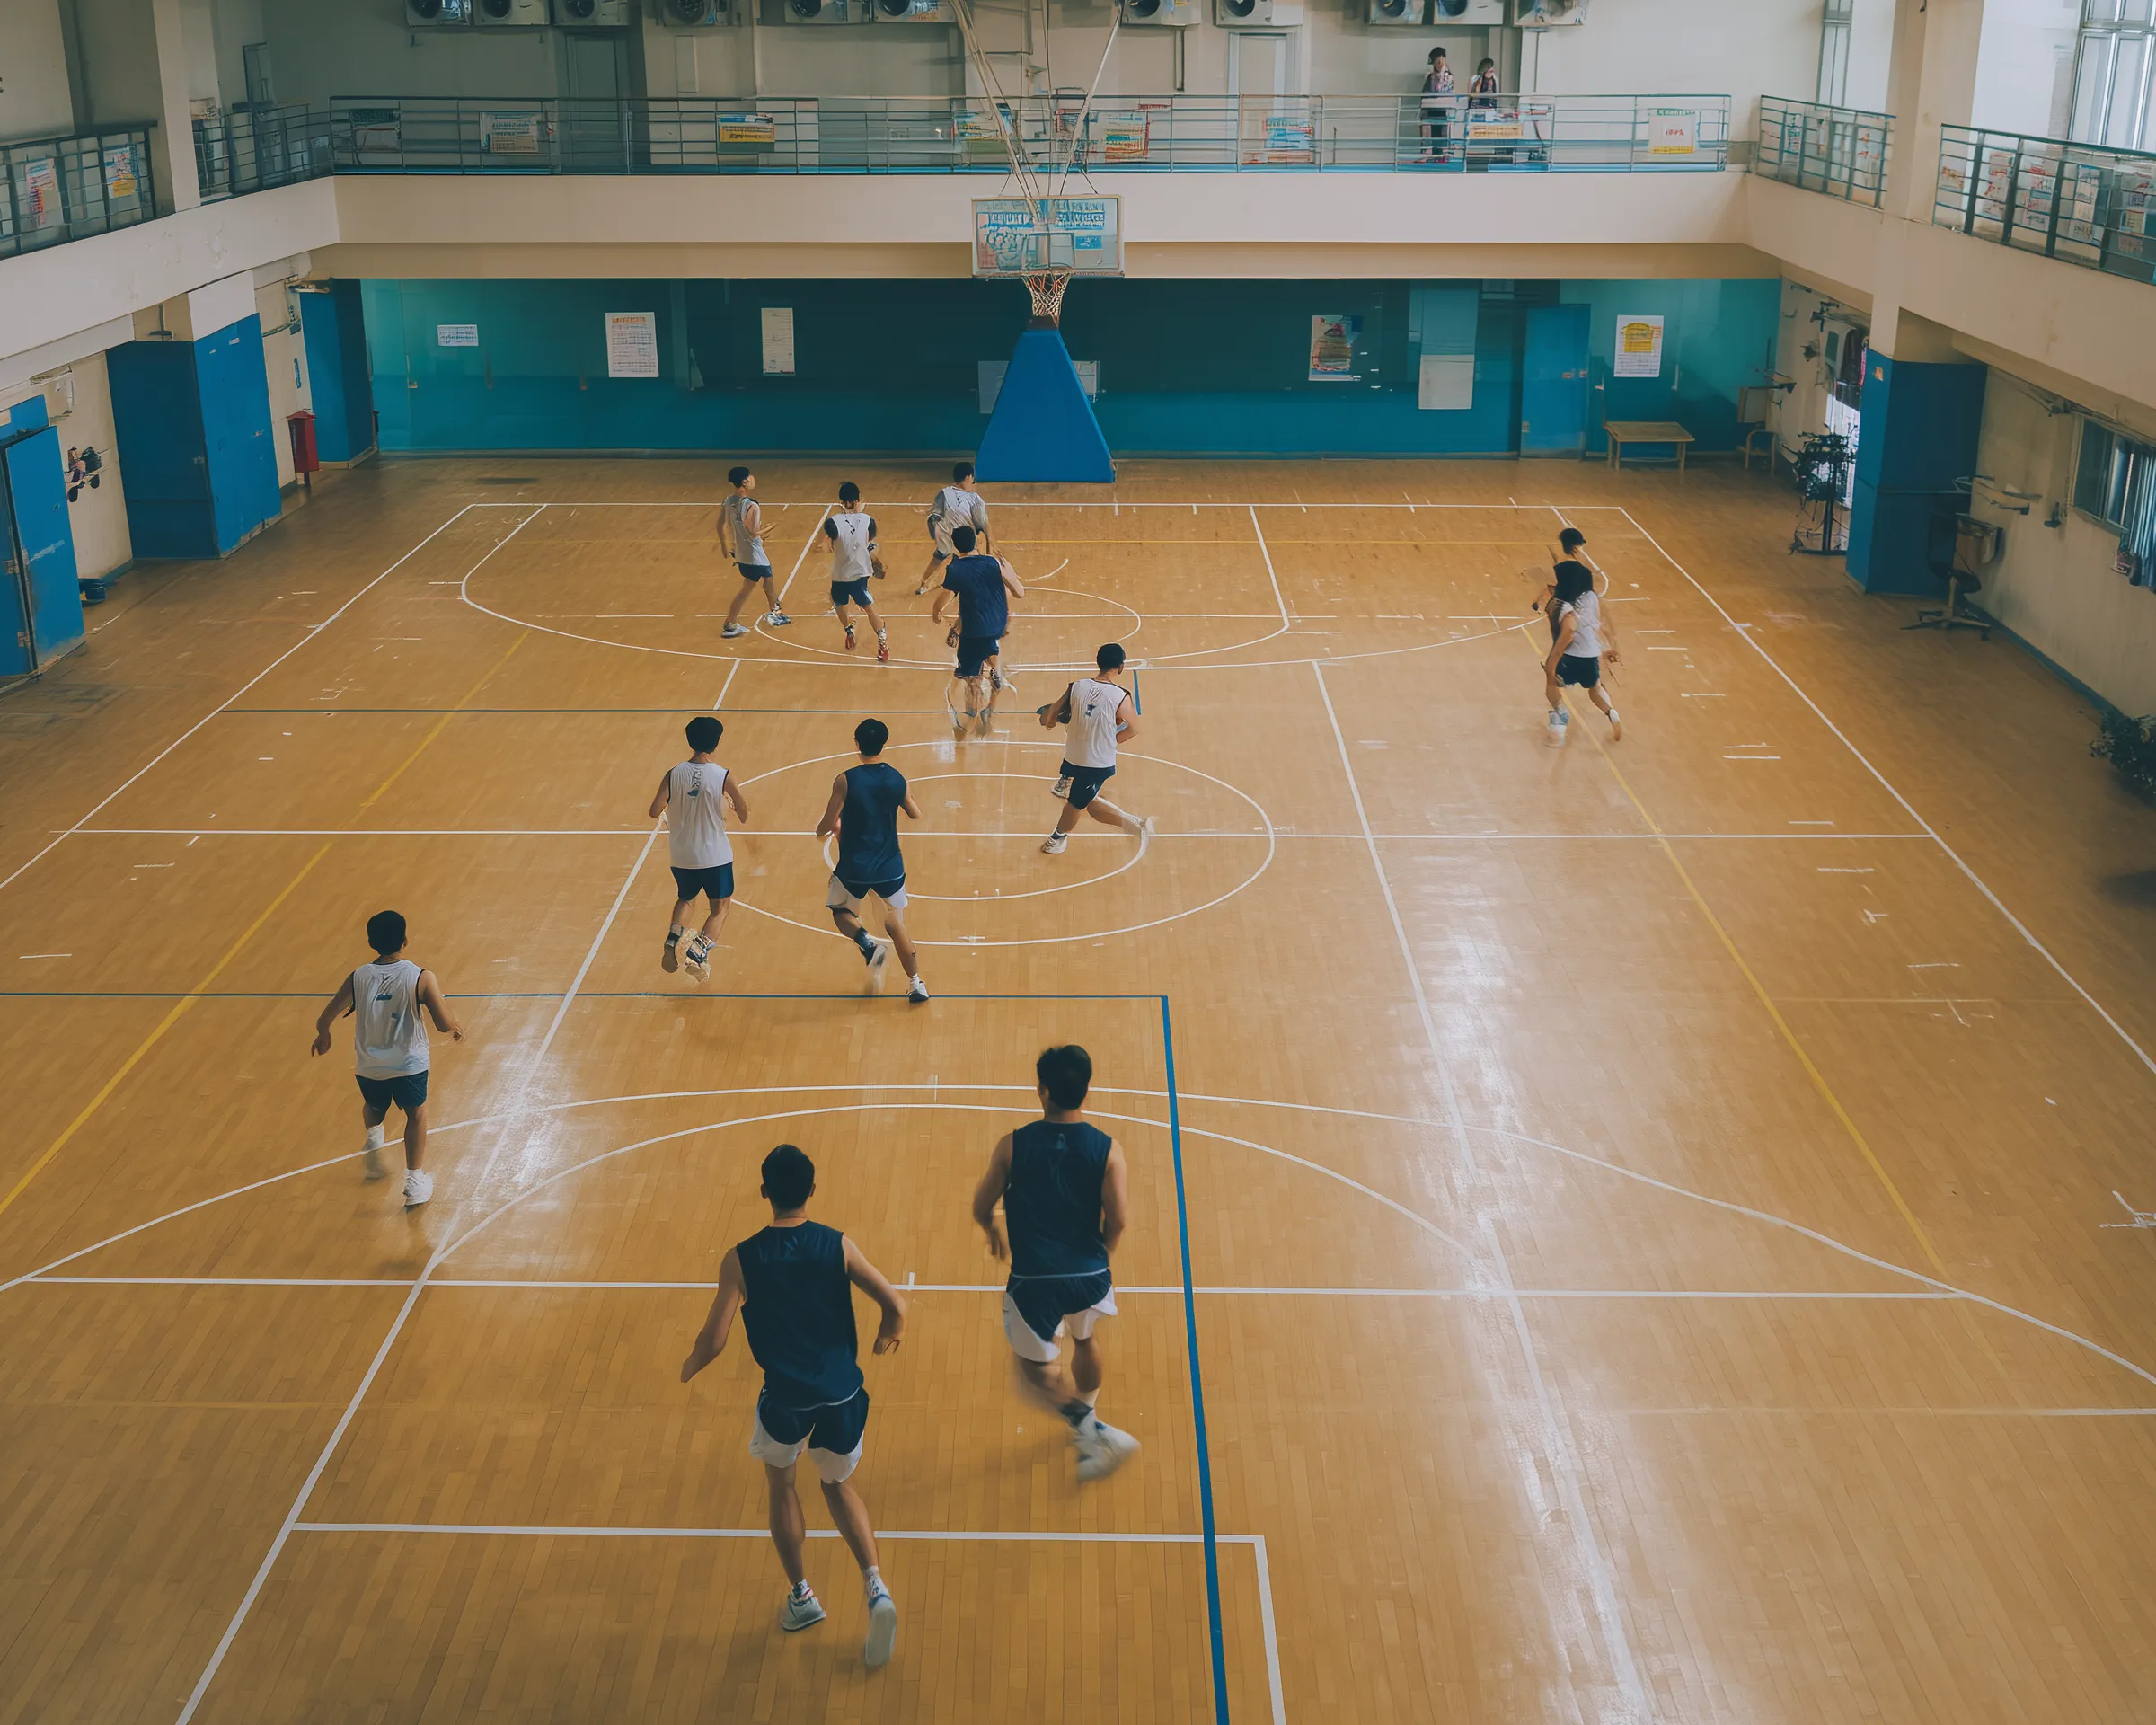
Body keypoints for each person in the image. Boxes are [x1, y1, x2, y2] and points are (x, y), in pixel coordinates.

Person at [680, 1143, 906, 1668]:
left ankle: (802, 1597)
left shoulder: (741, 1258)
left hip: (786, 1399)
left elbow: (715, 1338)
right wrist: (887, 1333)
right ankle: (876, 1587)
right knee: (837, 1484)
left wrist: (690, 1364)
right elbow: (894, 1303)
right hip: (844, 1394)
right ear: (812, 1190)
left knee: (781, 1485)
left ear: (765, 1192)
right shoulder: (837, 1244)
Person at [968, 1045, 1141, 1483]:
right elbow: (1119, 1219)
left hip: (1035, 1283)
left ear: (1042, 1090)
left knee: (1033, 1372)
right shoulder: (1109, 1149)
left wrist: (991, 1230)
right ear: (1087, 1091)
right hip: (1090, 1276)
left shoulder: (1012, 1146)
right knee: (1084, 1339)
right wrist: (1099, 1262)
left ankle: (1091, 1428)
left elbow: (980, 1205)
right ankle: (1089, 1420)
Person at [310, 909, 464, 1208]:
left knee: (374, 1105)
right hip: (408, 1064)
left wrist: (323, 1034)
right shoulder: (420, 977)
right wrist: (457, 1027)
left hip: (370, 1064)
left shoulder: (359, 976)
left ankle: (373, 1137)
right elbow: (443, 1024)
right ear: (405, 940)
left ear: (371, 942)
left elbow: (325, 1016)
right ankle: (414, 1180)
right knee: (416, 1115)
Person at [815, 719, 928, 1003]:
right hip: (890, 866)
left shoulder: (846, 779)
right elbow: (915, 813)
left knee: (841, 912)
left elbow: (828, 823)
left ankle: (868, 945)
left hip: (854, 866)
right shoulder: (897, 778)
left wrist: (825, 830)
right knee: (895, 925)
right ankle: (916, 983)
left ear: (856, 743)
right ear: (884, 744)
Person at [650, 714, 750, 983]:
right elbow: (744, 814)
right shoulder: (722, 775)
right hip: (715, 855)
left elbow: (654, 810)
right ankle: (699, 950)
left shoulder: (673, 773)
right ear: (716, 743)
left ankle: (674, 936)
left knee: (686, 898)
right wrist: (731, 802)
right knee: (720, 908)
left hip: (681, 854)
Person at [1037, 642, 1153, 856]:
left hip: (1075, 756)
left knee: (1076, 802)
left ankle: (1058, 837)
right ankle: (1134, 825)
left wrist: (1050, 721)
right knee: (1082, 801)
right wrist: (1112, 741)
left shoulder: (1077, 686)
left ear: (1097, 662)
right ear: (1121, 667)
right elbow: (1134, 727)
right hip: (1096, 760)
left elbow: (1053, 710)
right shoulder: (1120, 696)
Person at [932, 524, 1026, 739]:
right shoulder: (993, 562)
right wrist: (1010, 571)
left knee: (972, 678)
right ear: (976, 543)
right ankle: (994, 686)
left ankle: (968, 723)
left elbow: (943, 600)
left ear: (955, 546)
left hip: (974, 631)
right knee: (989, 652)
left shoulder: (956, 569)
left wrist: (935, 613)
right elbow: (1019, 593)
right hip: (998, 626)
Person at [1544, 559, 1622, 742]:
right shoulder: (1592, 597)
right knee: (1594, 688)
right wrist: (1611, 647)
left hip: (1570, 655)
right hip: (1591, 653)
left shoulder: (1564, 606)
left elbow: (1569, 632)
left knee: (1551, 686)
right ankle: (1611, 713)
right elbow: (1603, 623)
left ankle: (1560, 719)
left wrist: (1552, 662)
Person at [719, 465, 791, 639]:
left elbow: (721, 525)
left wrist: (724, 545)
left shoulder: (729, 502)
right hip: (754, 555)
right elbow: (753, 532)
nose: (753, 479)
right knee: (766, 585)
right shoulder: (752, 505)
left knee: (755, 586)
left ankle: (731, 623)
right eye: (751, 477)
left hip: (742, 554)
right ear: (744, 481)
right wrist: (773, 526)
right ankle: (774, 614)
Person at [823, 482, 890, 663]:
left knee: (838, 602)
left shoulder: (832, 522)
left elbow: (826, 544)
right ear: (858, 499)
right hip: (861, 573)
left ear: (841, 502)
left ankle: (848, 630)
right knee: (868, 607)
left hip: (840, 575)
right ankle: (882, 642)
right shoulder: (869, 521)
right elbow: (868, 539)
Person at [915, 461, 991, 596]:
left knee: (938, 559)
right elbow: (981, 523)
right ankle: (975, 585)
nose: (973, 480)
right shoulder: (975, 499)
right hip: (964, 540)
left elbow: (935, 515)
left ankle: (923, 585)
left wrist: (935, 531)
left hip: (947, 537)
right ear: (968, 477)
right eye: (972, 477)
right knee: (975, 560)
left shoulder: (944, 493)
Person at [1532, 525, 1605, 635]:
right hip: (1574, 615)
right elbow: (1587, 597)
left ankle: (1538, 605)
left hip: (1558, 612)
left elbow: (1552, 587)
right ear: (1576, 548)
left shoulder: (1558, 568)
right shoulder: (1585, 572)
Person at [1420, 47, 1455, 160]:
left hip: (1444, 109)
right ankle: (1433, 155)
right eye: (1436, 62)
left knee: (1443, 132)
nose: (1439, 64)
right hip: (1431, 109)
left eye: (1441, 61)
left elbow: (1450, 93)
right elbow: (1424, 93)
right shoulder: (1430, 77)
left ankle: (1442, 156)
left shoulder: (1449, 77)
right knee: (1433, 132)